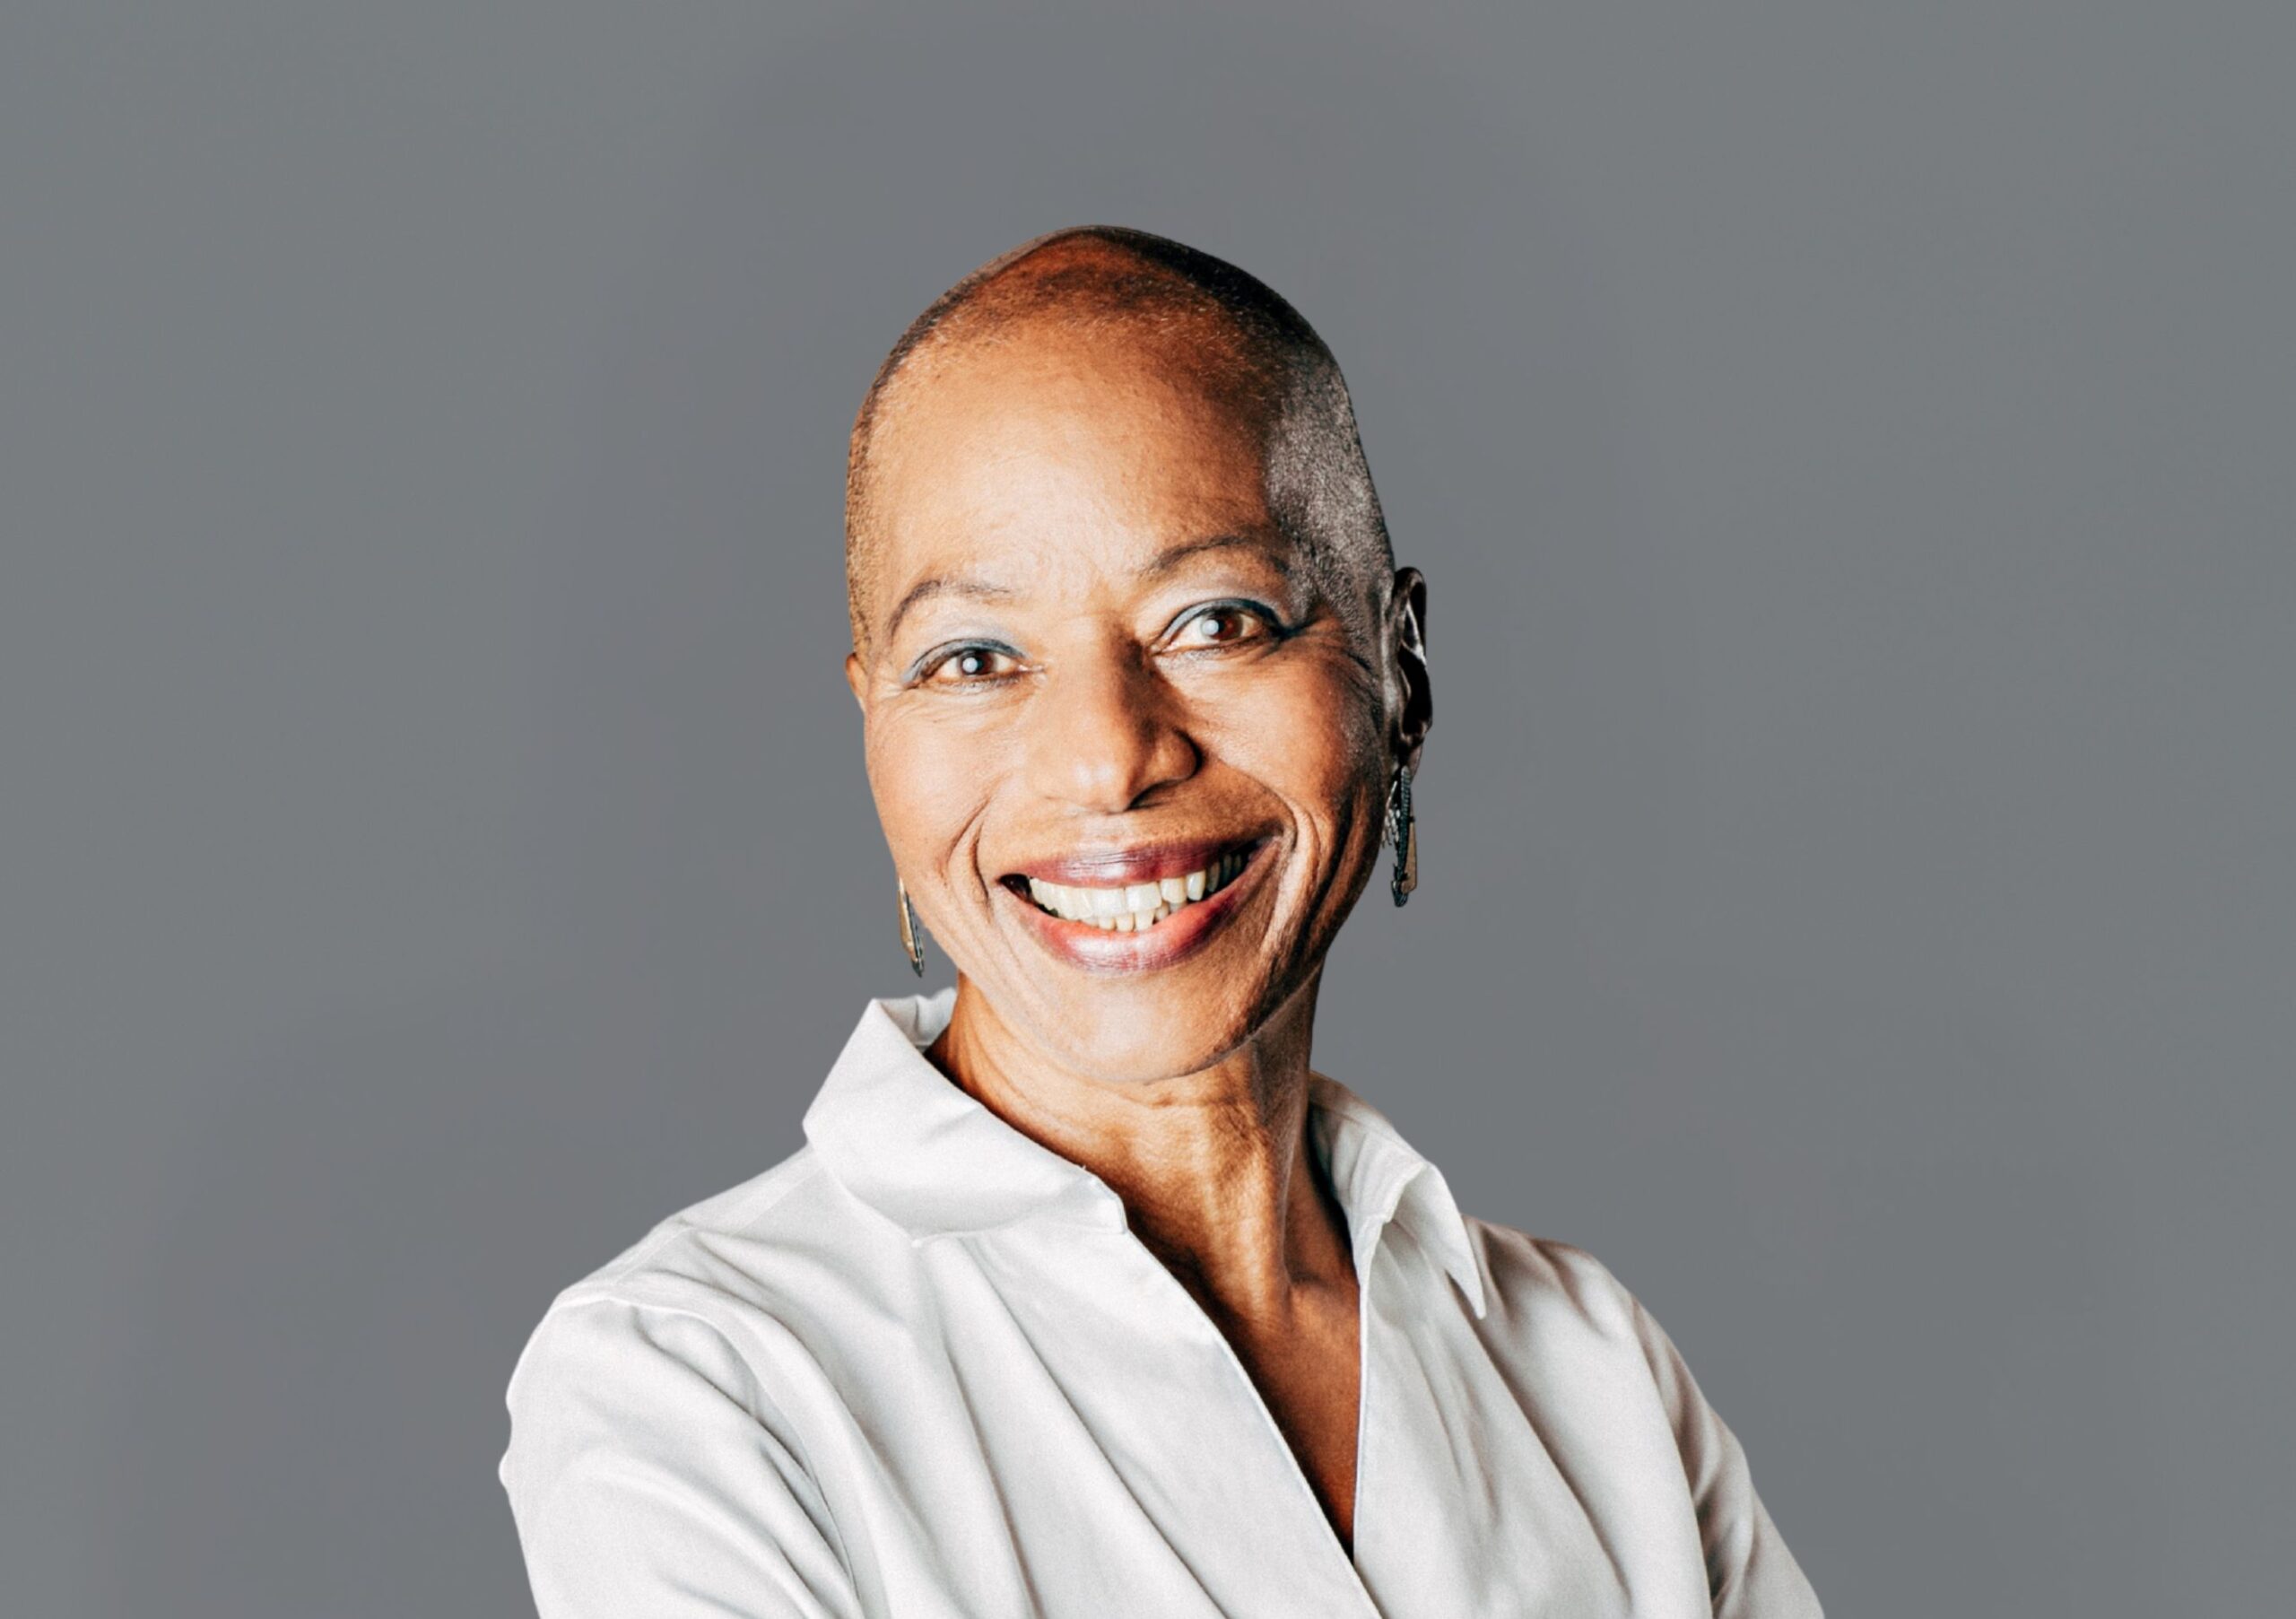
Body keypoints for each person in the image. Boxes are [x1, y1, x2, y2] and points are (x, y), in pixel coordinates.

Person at [497, 224, 1823, 1617]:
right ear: (874, 725)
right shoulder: (694, 1387)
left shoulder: (1593, 1373)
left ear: (1402, 675)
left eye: (1217, 621)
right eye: (974, 657)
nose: (1108, 756)